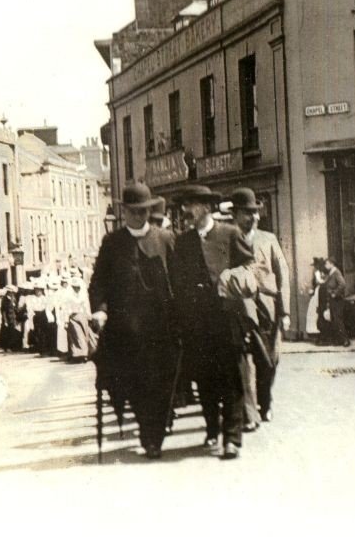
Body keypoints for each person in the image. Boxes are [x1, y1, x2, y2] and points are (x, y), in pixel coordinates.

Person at [88, 181, 178, 460]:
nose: (138, 216)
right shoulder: (112, 243)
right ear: (124, 212)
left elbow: (178, 280)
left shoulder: (165, 239)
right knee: (137, 386)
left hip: (161, 329)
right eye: (133, 211)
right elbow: (98, 282)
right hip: (125, 331)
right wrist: (100, 310)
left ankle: (157, 435)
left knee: (162, 385)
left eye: (143, 211)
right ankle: (147, 435)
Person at [171, 184, 255, 460]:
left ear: (205, 207)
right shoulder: (182, 242)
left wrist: (234, 279)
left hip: (228, 319)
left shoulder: (230, 234)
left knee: (231, 379)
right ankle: (211, 428)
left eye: (190, 205)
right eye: (183, 206)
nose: (185, 211)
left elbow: (249, 266)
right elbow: (177, 283)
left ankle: (232, 438)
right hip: (197, 325)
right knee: (205, 380)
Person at [230, 187, 290, 428]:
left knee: (269, 361)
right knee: (242, 363)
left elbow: (283, 273)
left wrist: (285, 311)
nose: (254, 217)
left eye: (255, 213)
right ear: (235, 214)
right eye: (247, 213)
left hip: (267, 308)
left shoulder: (269, 239)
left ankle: (265, 403)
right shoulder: (227, 238)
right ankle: (249, 412)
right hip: (239, 308)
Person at [322, 257, 350, 347]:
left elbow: (342, 284)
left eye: (327, 264)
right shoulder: (331, 273)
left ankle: (345, 340)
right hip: (333, 299)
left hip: (337, 300)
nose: (325, 266)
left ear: (331, 264)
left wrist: (335, 293)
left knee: (338, 320)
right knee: (334, 319)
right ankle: (339, 340)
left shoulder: (336, 272)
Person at [305, 257, 327, 338]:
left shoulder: (318, 272)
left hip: (319, 291)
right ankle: (317, 331)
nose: (314, 267)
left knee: (315, 310)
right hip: (319, 291)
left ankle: (317, 331)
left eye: (315, 265)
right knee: (316, 311)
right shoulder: (322, 272)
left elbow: (319, 282)